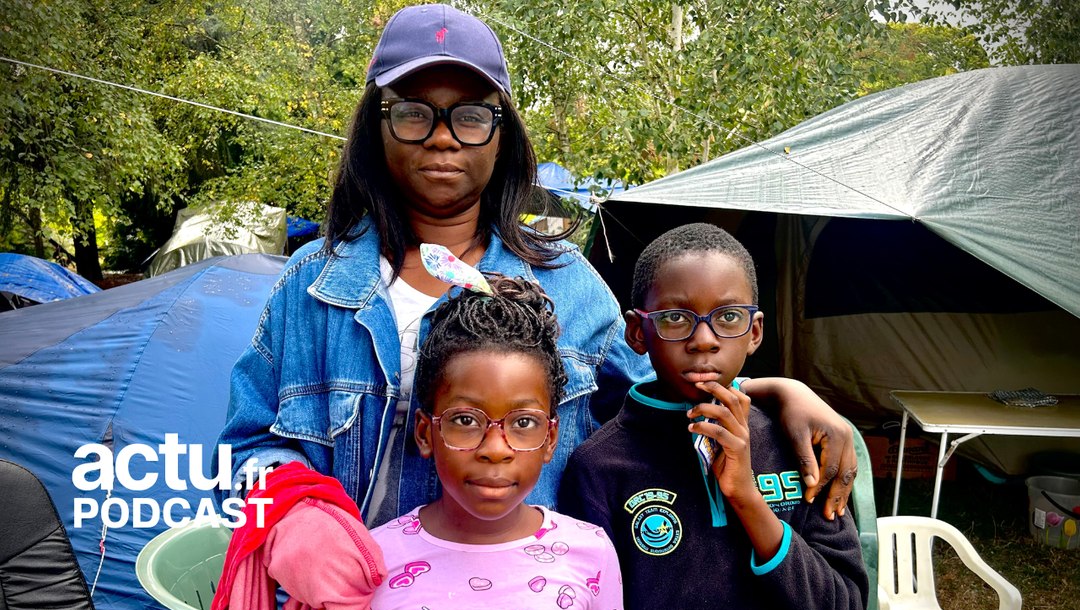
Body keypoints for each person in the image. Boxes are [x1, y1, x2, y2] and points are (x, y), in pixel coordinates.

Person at [216, 3, 858, 530]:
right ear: (376, 128)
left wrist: (779, 392)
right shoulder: (310, 288)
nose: (442, 136)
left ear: (502, 136)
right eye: (413, 112)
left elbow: (661, 401)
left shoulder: (567, 286)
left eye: (470, 115)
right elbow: (241, 456)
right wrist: (293, 517)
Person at [559, 223, 869, 610]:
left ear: (755, 332)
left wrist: (748, 499)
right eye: (677, 318)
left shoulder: (799, 449)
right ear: (639, 332)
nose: (703, 340)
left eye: (727, 317)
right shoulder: (600, 468)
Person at [307, 274, 636, 610]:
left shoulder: (589, 552)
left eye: (523, 423)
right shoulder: (371, 562)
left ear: (551, 438)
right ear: (426, 432)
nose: (495, 449)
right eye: (465, 420)